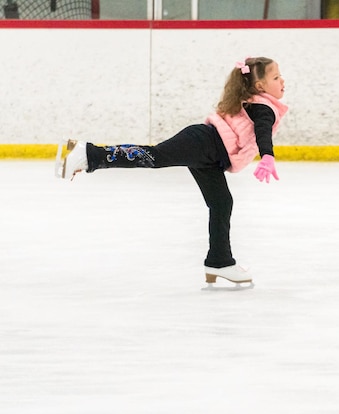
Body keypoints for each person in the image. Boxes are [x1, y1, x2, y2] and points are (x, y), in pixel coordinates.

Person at [56, 56, 288, 288]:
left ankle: (220, 261)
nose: (282, 81)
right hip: (203, 144)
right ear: (260, 86)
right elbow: (262, 130)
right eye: (276, 77)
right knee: (154, 157)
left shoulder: (254, 101)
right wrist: (267, 154)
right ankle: (87, 154)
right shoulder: (264, 108)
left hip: (210, 155)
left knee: (221, 203)